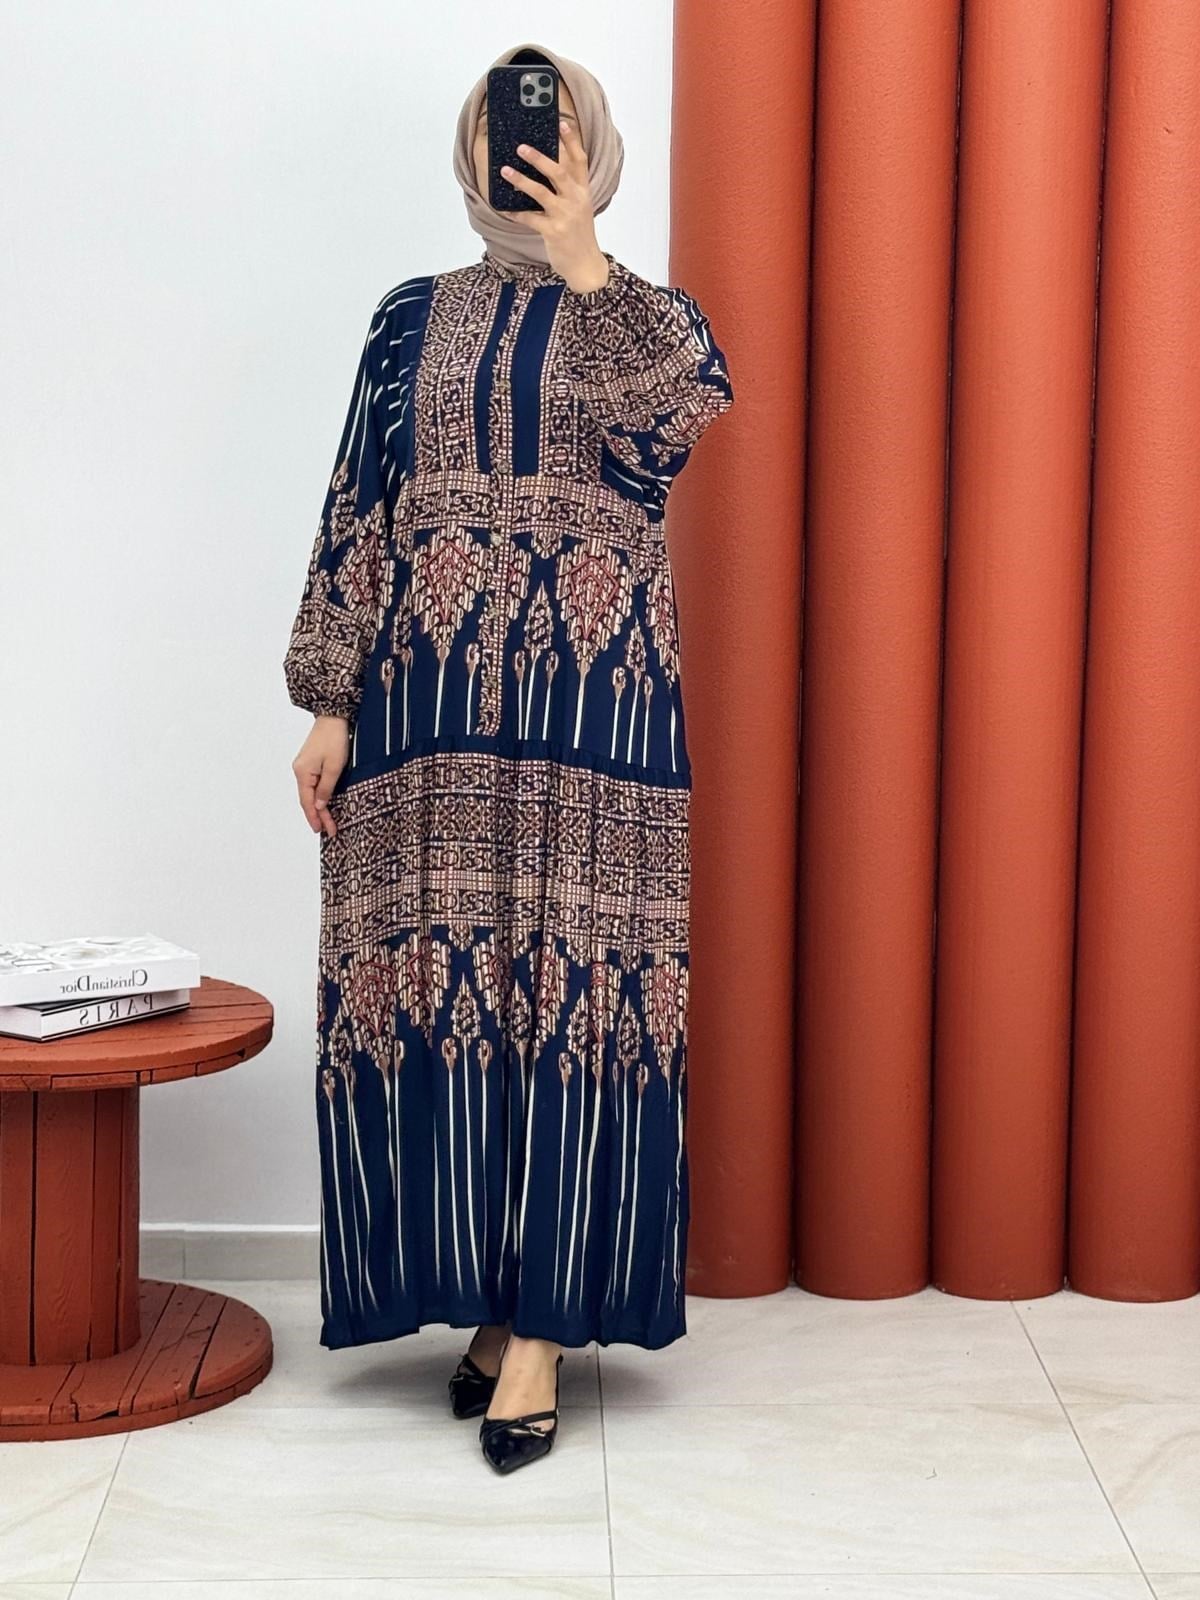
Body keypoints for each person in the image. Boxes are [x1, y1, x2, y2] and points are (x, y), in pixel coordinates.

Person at [283, 39, 734, 1475]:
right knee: (455, 983)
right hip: (427, 715)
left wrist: (585, 258)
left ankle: (546, 1327)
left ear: (589, 147)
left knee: (578, 991)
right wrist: (328, 699)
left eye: (545, 127)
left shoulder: (651, 319)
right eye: (497, 125)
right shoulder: (407, 320)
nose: (518, 146)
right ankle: (490, 1299)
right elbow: (362, 504)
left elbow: (668, 438)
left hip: (595, 717)